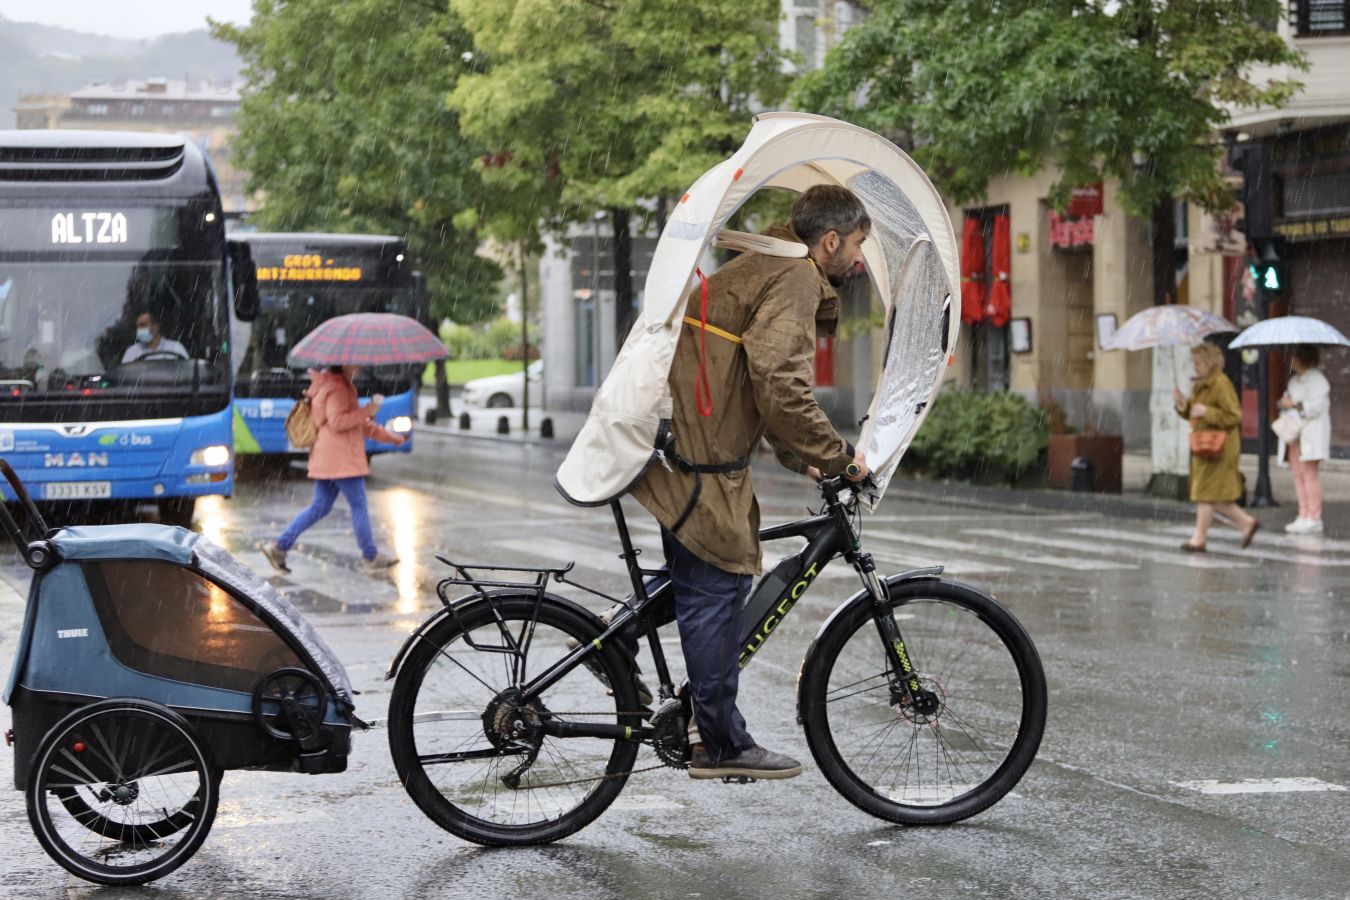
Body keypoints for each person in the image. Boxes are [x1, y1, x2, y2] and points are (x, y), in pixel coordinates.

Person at [628, 185, 869, 781]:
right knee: (721, 583)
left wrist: (801, 457)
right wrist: (839, 459)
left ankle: (613, 641)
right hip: (701, 462)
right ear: (830, 241)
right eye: (858, 243)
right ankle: (718, 742)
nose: (859, 258)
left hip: (686, 448)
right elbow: (779, 382)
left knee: (700, 582)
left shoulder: (770, 261)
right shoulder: (795, 276)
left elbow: (751, 382)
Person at [263, 366, 405, 574]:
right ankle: (370, 556)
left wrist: (391, 437)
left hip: (328, 458)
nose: (358, 366)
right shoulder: (338, 388)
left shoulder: (334, 386)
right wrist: (368, 410)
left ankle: (279, 547)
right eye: (354, 363)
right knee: (358, 505)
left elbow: (358, 424)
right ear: (344, 364)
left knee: (319, 507)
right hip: (342, 460)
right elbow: (338, 422)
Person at [1173, 341, 1260, 552]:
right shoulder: (1201, 384)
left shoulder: (1220, 384)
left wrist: (1207, 412)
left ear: (1209, 362)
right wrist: (1182, 405)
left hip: (1220, 448)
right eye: (1194, 362)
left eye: (1198, 362)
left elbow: (1234, 416)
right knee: (1211, 493)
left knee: (1209, 492)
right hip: (1205, 446)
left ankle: (1201, 537)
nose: (1195, 367)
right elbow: (1194, 413)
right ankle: (1243, 524)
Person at [1279, 346, 1331, 534]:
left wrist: (1294, 404)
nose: (1291, 361)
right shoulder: (1294, 381)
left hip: (1310, 434)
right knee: (1298, 475)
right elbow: (1287, 402)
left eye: (1295, 357)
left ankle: (1314, 516)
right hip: (1295, 434)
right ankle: (1303, 513)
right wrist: (1285, 404)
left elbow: (1315, 407)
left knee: (1309, 475)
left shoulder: (1318, 381)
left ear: (1303, 358)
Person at [121, 311, 188, 362]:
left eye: (143, 325)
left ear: (156, 326)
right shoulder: (132, 352)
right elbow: (125, 375)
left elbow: (187, 372)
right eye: (137, 326)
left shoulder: (176, 348)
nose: (138, 329)